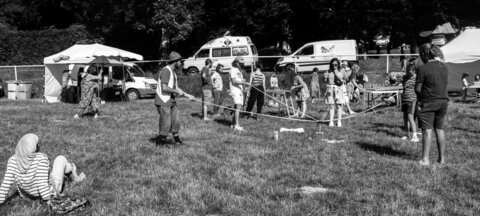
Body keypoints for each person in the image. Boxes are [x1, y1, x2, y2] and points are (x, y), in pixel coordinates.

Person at [0, 134, 86, 205]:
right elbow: (41, 183)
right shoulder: (40, 159)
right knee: (60, 159)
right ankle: (75, 177)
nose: (39, 146)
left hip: (28, 195)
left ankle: (69, 171)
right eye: (37, 144)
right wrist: (48, 199)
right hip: (48, 192)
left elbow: (5, 184)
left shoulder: (12, 160)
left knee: (52, 173)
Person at [415, 43, 449, 166]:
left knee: (427, 130)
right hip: (443, 101)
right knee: (439, 129)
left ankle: (425, 159)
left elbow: (418, 89)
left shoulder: (423, 69)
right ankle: (442, 159)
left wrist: (419, 100)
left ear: (424, 55)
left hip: (428, 102)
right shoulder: (444, 67)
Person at [155, 51, 195, 146]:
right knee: (166, 123)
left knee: (176, 121)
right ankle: (161, 143)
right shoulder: (166, 71)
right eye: (181, 62)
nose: (182, 64)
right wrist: (177, 92)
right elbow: (164, 87)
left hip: (171, 100)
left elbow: (176, 88)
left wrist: (187, 95)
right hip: (163, 100)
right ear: (176, 61)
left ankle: (177, 140)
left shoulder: (173, 73)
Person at [229, 56, 250, 131]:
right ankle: (237, 125)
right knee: (238, 107)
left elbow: (240, 81)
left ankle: (233, 123)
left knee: (237, 107)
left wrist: (244, 87)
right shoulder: (233, 70)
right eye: (240, 63)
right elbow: (234, 81)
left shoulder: (239, 70)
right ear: (236, 62)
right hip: (235, 90)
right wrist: (244, 82)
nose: (241, 64)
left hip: (240, 91)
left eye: (242, 63)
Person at [401, 58, 420, 142]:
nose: (408, 73)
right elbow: (403, 87)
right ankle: (406, 134)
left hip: (412, 100)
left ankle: (415, 135)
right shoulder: (405, 77)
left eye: (410, 71)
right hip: (404, 99)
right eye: (407, 71)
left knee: (410, 117)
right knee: (405, 117)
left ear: (414, 71)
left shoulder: (416, 78)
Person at [324, 58, 346, 127]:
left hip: (339, 88)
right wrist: (325, 78)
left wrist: (336, 72)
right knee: (331, 106)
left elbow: (344, 79)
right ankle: (331, 122)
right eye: (332, 65)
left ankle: (339, 121)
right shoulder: (328, 71)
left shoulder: (341, 70)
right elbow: (325, 81)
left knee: (339, 105)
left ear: (338, 64)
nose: (334, 66)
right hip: (330, 88)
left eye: (336, 65)